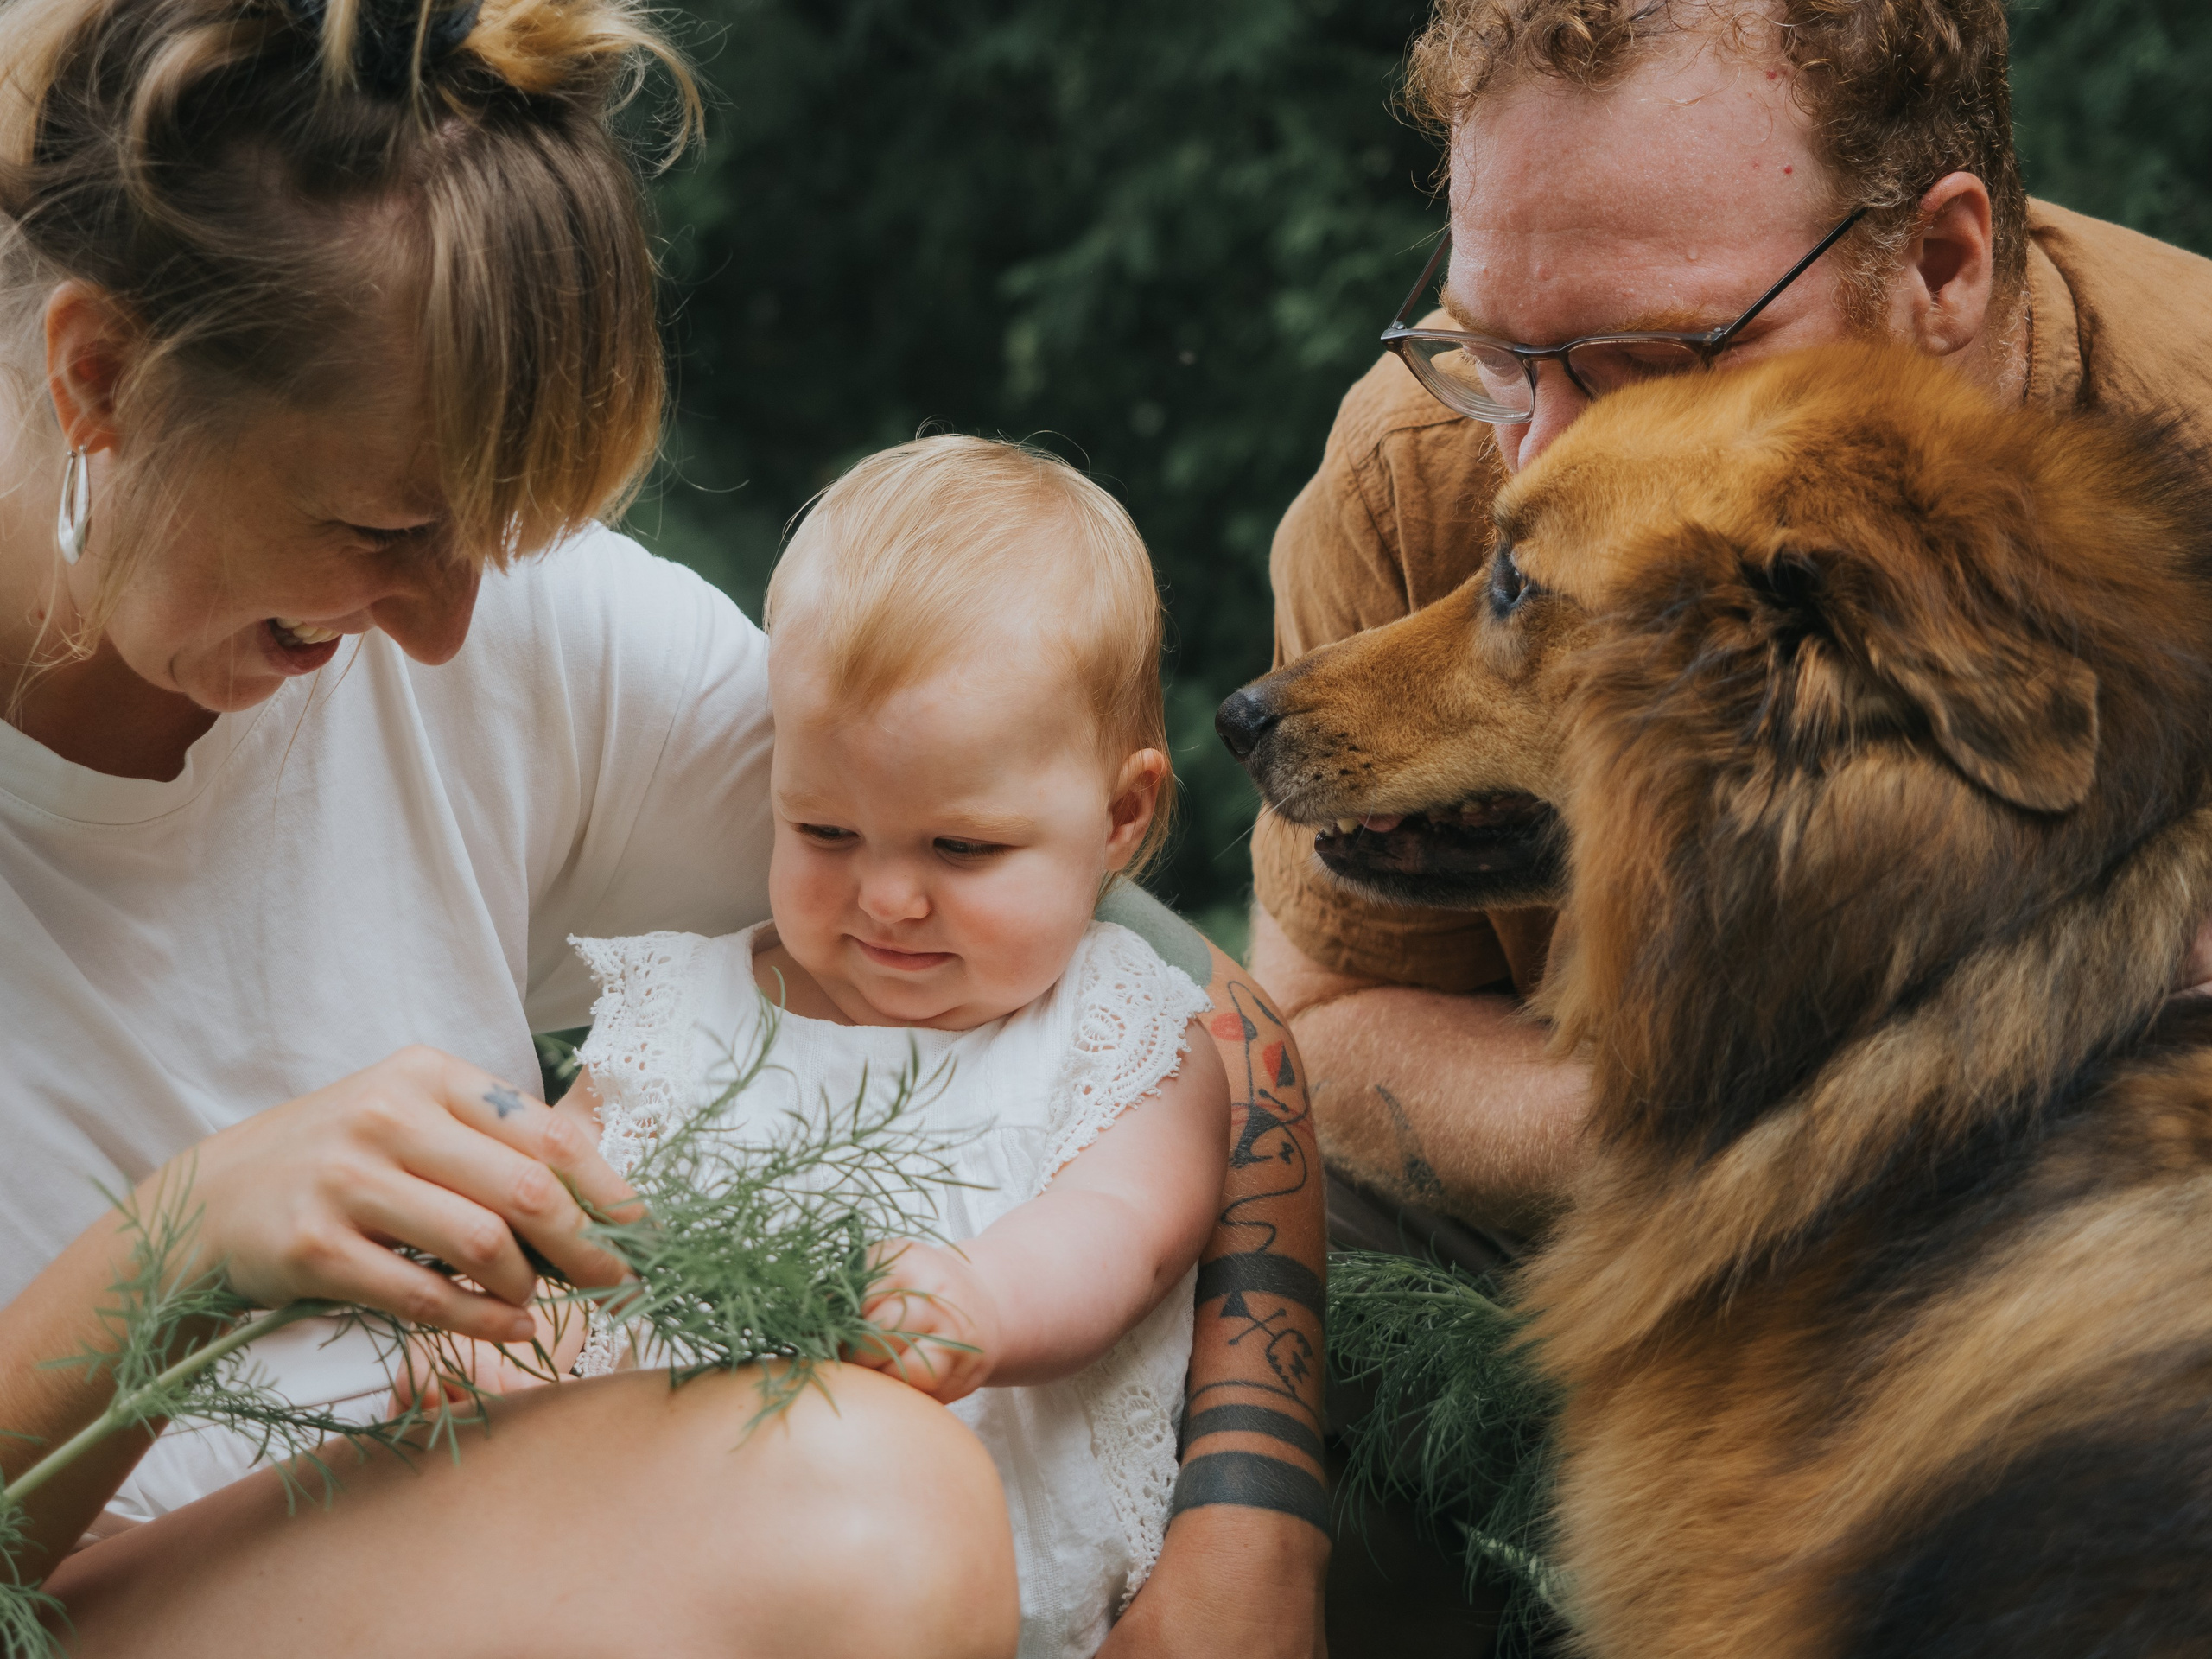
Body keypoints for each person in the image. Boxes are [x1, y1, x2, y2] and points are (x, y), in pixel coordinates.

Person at [0, 0, 1327, 1649]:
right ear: (99, 378)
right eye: (382, 527)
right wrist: (183, 1248)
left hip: (512, 1554)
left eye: (489, 530)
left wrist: (1250, 1532)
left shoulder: (507, 631)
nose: (437, 628)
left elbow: (1183, 1008)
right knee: (867, 1509)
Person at [1249, 0, 2212, 1248]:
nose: (1537, 456)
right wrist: (1819, 1136)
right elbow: (1322, 1025)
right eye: (1493, 349)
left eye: (1657, 351)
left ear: (1941, 267)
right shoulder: (1412, 467)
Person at [563, 435, 1231, 1658]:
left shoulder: (1124, 1032)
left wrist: (983, 1296)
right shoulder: (685, 1012)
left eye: (960, 849)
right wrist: (492, 1339)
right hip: (670, 1591)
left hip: (1015, 1615)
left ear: (1121, 815)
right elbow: (564, 1216)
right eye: (824, 829)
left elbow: (1123, 1234)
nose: (886, 899)